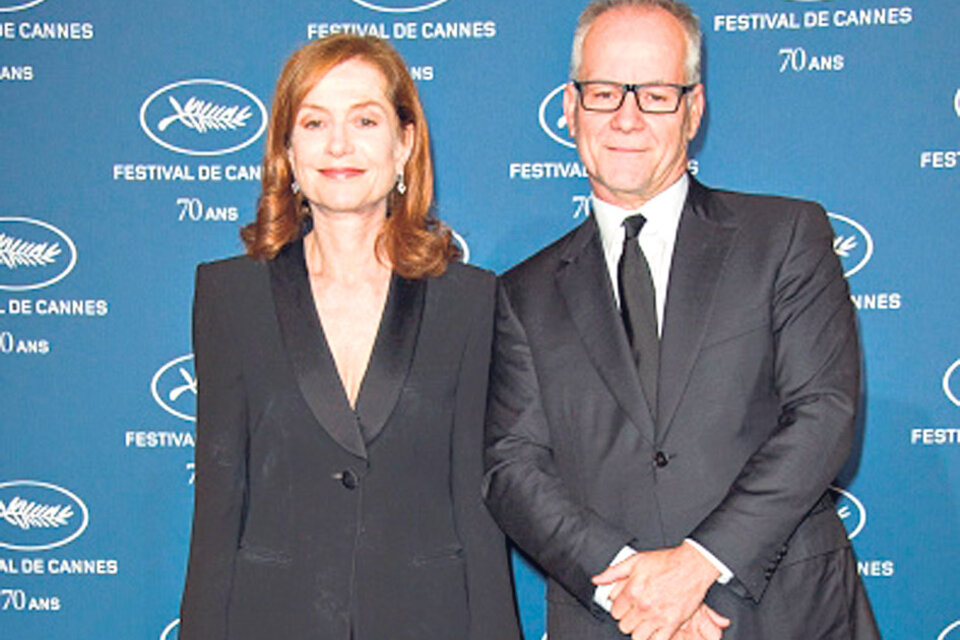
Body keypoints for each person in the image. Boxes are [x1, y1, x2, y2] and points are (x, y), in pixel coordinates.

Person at [483, 1, 881, 639]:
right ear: (569, 107)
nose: (627, 118)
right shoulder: (521, 293)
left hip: (786, 613)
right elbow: (513, 466)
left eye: (656, 95)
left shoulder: (785, 237)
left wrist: (696, 566)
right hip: (614, 619)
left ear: (694, 109)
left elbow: (824, 414)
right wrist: (633, 581)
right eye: (605, 92)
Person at [179, 35, 520, 640]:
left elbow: (476, 505)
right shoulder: (230, 296)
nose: (339, 145)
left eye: (365, 119)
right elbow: (218, 503)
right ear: (287, 147)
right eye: (314, 122)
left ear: (404, 143)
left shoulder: (468, 299)